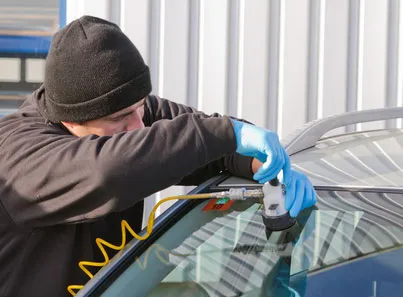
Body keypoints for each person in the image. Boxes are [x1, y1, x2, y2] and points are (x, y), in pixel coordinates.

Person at [0, 16, 316, 297]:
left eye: (141, 108)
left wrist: (265, 168)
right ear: (71, 120)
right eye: (122, 118)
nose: (139, 125)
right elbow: (108, 170)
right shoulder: (18, 157)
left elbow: (208, 142)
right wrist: (225, 134)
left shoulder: (123, 110)